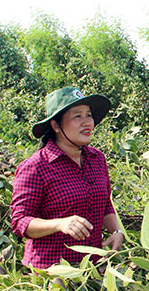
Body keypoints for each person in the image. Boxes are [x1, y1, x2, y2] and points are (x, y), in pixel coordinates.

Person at [10, 87, 123, 270]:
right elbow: (20, 221)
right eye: (77, 116)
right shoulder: (36, 166)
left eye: (88, 115)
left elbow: (105, 204)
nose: (87, 122)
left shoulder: (97, 159)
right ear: (56, 126)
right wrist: (60, 224)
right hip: (51, 270)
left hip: (92, 269)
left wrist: (117, 231)